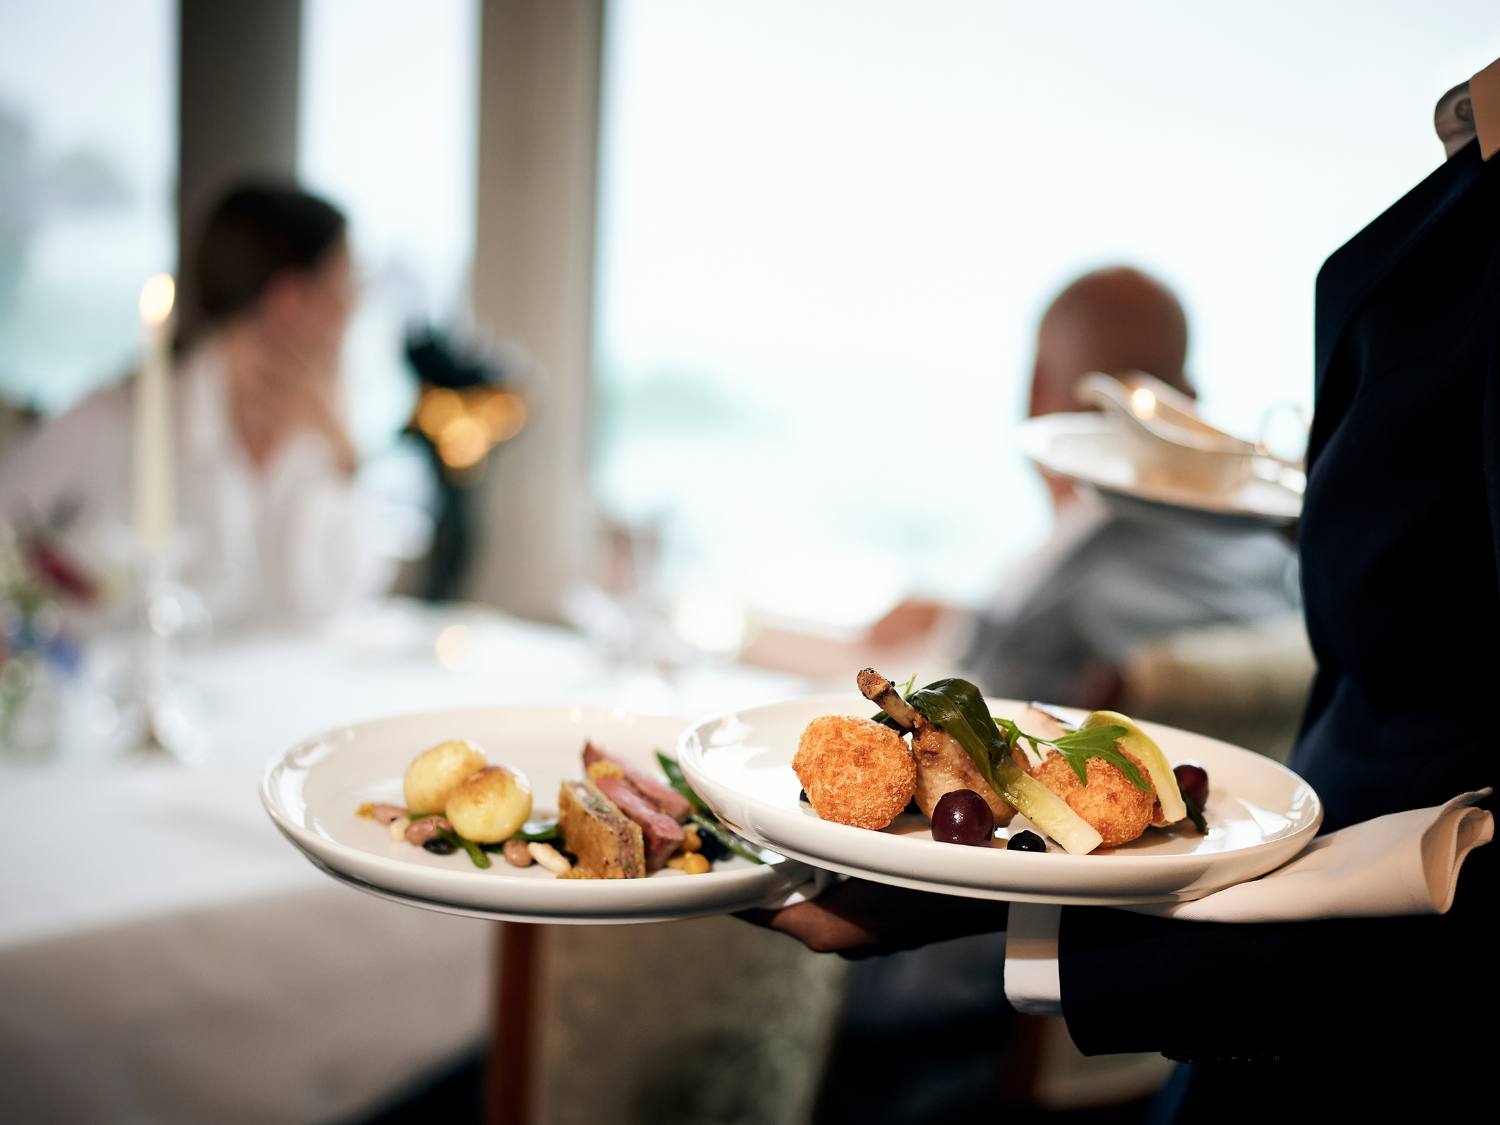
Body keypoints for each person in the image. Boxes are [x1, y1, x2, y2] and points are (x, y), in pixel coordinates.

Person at [744, 60, 1500, 1118]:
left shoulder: (1064, 586)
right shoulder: (1267, 562)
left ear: (1042, 400)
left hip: (964, 1024)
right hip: (1170, 1043)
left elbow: (949, 770)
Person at [0, 181, 384, 627]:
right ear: (289, 299)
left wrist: (342, 453)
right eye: (345, 283)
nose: (355, 305)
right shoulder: (117, 416)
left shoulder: (320, 431)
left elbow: (345, 598)